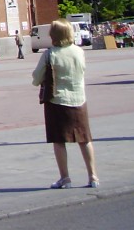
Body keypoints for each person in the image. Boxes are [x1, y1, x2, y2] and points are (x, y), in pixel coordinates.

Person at [32, 19, 99, 189]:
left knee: (59, 140)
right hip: (79, 100)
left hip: (57, 101)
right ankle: (93, 177)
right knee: (85, 139)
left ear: (53, 35)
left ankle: (65, 178)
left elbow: (36, 78)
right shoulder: (79, 51)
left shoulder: (50, 54)